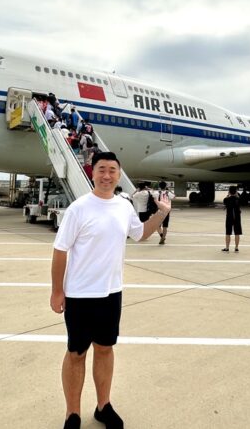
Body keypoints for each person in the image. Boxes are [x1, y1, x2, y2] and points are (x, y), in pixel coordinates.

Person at [50, 152, 171, 429]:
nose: (107, 175)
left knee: (105, 349)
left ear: (119, 174)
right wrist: (58, 291)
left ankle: (103, 406)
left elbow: (140, 234)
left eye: (112, 171)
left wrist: (161, 213)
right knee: (76, 353)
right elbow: (60, 250)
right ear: (93, 173)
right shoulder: (79, 208)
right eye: (102, 170)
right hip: (79, 294)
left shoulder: (123, 206)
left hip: (111, 293)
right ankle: (72, 413)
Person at [222, 185, 242, 252]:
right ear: (236, 191)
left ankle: (227, 248)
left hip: (229, 217)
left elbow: (225, 205)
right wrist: (237, 196)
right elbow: (239, 202)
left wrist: (228, 196)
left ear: (229, 192)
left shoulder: (226, 200)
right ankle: (236, 247)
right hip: (237, 217)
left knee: (228, 233)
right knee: (237, 233)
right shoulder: (238, 199)